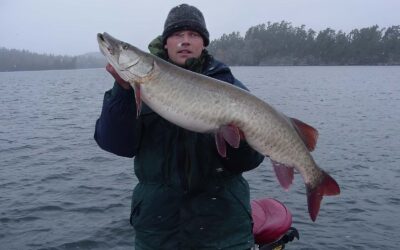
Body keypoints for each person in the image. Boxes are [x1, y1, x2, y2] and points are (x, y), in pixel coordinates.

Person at [94, 4, 264, 250]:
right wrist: (122, 93)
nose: (185, 41)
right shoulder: (133, 88)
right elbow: (115, 144)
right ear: (165, 43)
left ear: (203, 43)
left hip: (223, 231)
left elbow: (249, 162)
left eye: (193, 35)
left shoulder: (229, 87)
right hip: (159, 233)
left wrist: (238, 139)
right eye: (177, 35)